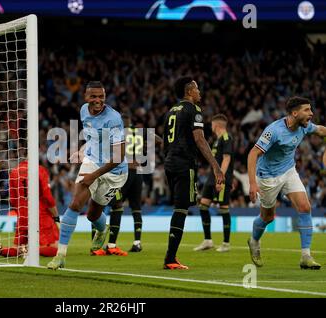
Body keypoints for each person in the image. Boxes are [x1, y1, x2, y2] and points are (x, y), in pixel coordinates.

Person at [47, 81, 128, 270]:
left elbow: (118, 157)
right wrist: (82, 152)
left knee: (93, 215)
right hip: (92, 162)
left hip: (115, 171)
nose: (97, 100)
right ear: (85, 97)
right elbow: (92, 138)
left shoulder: (113, 119)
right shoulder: (84, 110)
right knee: (75, 204)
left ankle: (102, 229)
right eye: (93, 96)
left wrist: (94, 176)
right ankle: (61, 255)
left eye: (101, 96)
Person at [247, 96, 326, 269]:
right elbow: (253, 154)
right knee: (267, 217)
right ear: (294, 113)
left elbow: (320, 130)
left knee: (305, 207)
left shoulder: (303, 127)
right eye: (307, 110)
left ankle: (306, 256)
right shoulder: (274, 131)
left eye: (311, 110)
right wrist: (252, 183)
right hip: (267, 177)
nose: (311, 114)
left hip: (289, 171)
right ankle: (254, 240)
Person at [162, 76, 224, 270]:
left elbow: (166, 141)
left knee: (179, 208)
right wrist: (215, 166)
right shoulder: (193, 109)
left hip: (170, 163)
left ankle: (171, 257)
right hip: (184, 163)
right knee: (181, 209)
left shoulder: (171, 111)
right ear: (189, 91)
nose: (199, 92)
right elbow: (199, 139)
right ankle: (170, 258)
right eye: (197, 89)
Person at [90, 114, 160, 256]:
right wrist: (145, 148)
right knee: (136, 208)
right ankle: (136, 242)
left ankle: (98, 245)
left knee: (105, 205)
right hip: (138, 173)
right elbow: (159, 140)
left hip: (122, 172)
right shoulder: (140, 131)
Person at [0, 160, 60, 259]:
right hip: (40, 215)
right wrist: (55, 216)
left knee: (17, 248)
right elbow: (47, 196)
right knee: (56, 249)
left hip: (22, 215)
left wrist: (20, 213)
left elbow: (12, 199)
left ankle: (0, 250)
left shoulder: (14, 172)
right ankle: (29, 250)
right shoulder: (39, 170)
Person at [194, 114, 234, 252]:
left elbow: (227, 158)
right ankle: (208, 240)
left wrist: (220, 178)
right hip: (212, 178)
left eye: (211, 124)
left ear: (216, 125)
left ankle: (226, 243)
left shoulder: (226, 138)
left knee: (223, 209)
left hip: (220, 178)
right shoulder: (217, 140)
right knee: (203, 206)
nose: (211, 127)